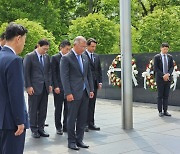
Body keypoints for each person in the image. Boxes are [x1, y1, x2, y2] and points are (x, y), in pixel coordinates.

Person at [60, 36, 94, 150]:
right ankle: (71, 141)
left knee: (82, 118)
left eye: (85, 47)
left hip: (84, 92)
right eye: (82, 46)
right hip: (73, 93)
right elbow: (64, 77)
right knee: (72, 117)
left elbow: (88, 74)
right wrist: (68, 93)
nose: (84, 49)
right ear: (75, 44)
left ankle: (80, 140)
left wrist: (91, 89)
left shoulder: (84, 57)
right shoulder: (66, 58)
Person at [0, 23, 29, 154]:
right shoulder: (14, 60)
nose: (24, 44)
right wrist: (20, 121)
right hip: (11, 122)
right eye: (24, 40)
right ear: (18, 38)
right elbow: (16, 94)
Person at [23, 39, 52, 138]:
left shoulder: (47, 57)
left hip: (45, 87)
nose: (45, 51)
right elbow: (26, 73)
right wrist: (28, 86)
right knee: (33, 109)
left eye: (47, 49)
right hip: (34, 88)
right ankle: (34, 129)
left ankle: (41, 128)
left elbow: (48, 72)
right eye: (44, 49)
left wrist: (49, 84)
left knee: (43, 109)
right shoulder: (29, 56)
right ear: (38, 45)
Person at [51, 40, 71, 135]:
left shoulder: (69, 58)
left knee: (67, 108)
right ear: (61, 48)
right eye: (66, 49)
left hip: (67, 88)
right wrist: (56, 86)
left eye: (69, 49)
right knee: (58, 108)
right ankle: (58, 127)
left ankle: (66, 126)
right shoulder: (55, 58)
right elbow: (53, 73)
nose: (68, 51)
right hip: (58, 87)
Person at [83, 38, 102, 132]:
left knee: (92, 104)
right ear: (87, 46)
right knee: (85, 104)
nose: (93, 48)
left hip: (94, 82)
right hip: (86, 84)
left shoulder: (96, 56)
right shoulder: (83, 55)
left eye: (95, 47)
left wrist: (100, 82)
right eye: (92, 46)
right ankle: (84, 124)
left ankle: (91, 123)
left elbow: (99, 70)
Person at [154, 43, 174, 117]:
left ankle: (165, 110)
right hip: (160, 79)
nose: (165, 51)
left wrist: (168, 74)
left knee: (166, 95)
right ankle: (160, 111)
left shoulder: (170, 57)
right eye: (164, 49)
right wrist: (163, 75)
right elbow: (156, 68)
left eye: (167, 49)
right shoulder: (157, 57)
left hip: (168, 78)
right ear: (161, 48)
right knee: (160, 95)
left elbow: (172, 67)